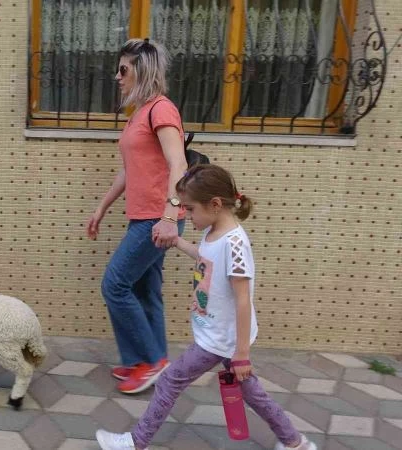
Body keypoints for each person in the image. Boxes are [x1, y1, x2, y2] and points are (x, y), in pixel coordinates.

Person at [95, 164, 317, 450]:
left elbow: (243, 299)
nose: (187, 215)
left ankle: (135, 443)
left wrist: (241, 354)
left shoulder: (235, 245)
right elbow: (205, 257)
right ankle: (295, 443)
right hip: (220, 335)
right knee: (252, 393)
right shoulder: (215, 232)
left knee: (169, 381)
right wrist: (177, 242)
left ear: (214, 204)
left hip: (221, 340)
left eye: (190, 209)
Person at [86, 38, 187, 394]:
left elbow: (179, 164)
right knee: (146, 290)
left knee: (114, 285)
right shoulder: (139, 114)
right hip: (145, 217)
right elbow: (130, 170)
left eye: (123, 69)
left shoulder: (162, 110)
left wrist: (170, 217)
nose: (117, 76)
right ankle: (146, 362)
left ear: (142, 70)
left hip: (157, 218)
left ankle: (152, 362)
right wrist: (102, 207)